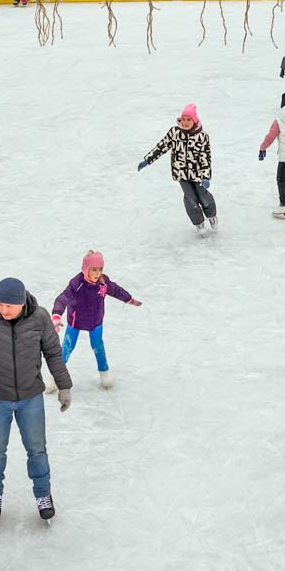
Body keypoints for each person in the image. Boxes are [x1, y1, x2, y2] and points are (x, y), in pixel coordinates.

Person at [0, 276, 71, 522]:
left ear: (22, 303)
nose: (4, 309)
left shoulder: (39, 318)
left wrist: (64, 386)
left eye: (9, 305)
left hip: (30, 398)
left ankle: (43, 495)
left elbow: (53, 353)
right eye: (0, 304)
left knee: (37, 450)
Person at [50, 251, 141, 390]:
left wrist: (129, 299)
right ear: (86, 269)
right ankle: (56, 377)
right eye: (94, 269)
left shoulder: (103, 282)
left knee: (98, 346)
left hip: (95, 321)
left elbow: (116, 290)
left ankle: (104, 374)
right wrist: (56, 315)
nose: (97, 273)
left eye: (100, 269)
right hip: (76, 320)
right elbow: (63, 298)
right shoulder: (77, 283)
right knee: (68, 347)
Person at [138, 104, 218, 235]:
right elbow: (161, 147)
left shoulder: (202, 137)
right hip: (181, 174)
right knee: (190, 199)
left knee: (203, 195)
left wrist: (206, 176)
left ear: (195, 121)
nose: (185, 123)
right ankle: (199, 222)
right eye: (183, 119)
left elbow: (205, 157)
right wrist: (148, 160)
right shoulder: (175, 133)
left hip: (198, 174)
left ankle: (212, 215)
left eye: (189, 120)